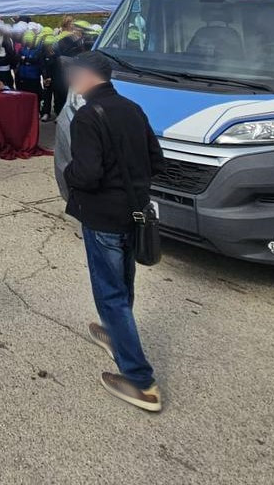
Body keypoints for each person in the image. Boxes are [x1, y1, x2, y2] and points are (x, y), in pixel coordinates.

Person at [62, 51, 166, 414]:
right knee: (123, 284)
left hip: (103, 216)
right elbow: (157, 161)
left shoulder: (88, 116)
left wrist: (68, 175)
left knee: (110, 292)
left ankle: (141, 380)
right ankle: (119, 336)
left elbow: (86, 174)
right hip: (132, 213)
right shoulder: (132, 109)